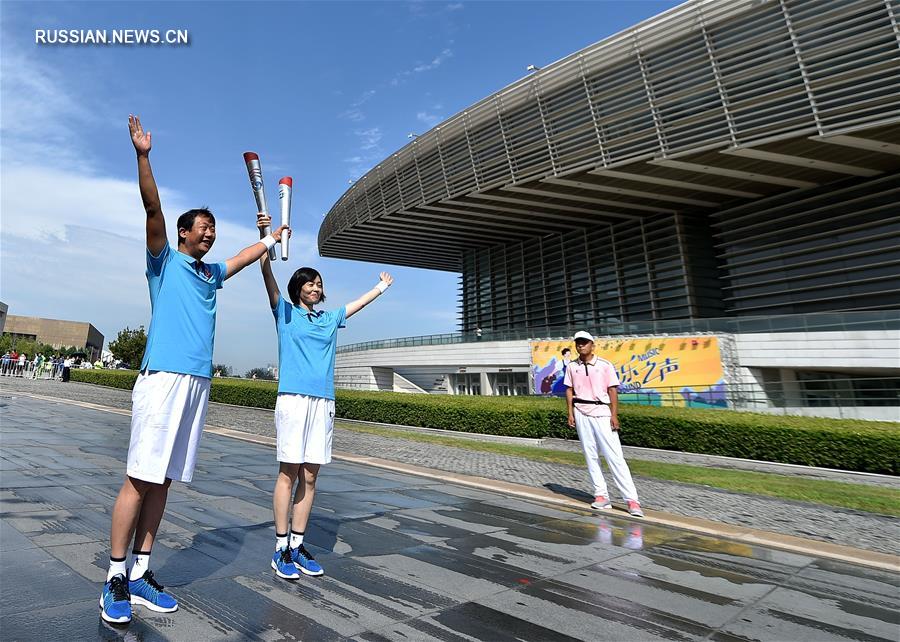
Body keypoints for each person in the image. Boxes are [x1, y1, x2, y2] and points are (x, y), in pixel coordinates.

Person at [98, 115, 290, 626]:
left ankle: (141, 571)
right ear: (184, 233)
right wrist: (143, 156)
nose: (210, 233)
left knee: (162, 483)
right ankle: (115, 576)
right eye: (203, 227)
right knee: (139, 479)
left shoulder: (210, 273)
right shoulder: (164, 260)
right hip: (161, 378)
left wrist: (271, 242)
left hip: (196, 385)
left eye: (213, 229)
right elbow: (153, 206)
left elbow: (244, 258)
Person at [255, 212, 392, 580]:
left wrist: (380, 288)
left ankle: (298, 545)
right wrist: (266, 236)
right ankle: (280, 547)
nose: (316, 288)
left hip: (323, 402)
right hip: (293, 401)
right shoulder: (284, 314)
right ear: (298, 287)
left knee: (311, 476)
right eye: (310, 283)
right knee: (288, 473)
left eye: (319, 284)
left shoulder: (328, 319)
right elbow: (266, 273)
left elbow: (357, 305)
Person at [564, 330, 644, 518]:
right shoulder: (571, 367)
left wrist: (613, 415)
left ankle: (632, 500)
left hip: (601, 411)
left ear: (592, 345)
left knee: (614, 456)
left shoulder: (604, 365)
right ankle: (601, 495)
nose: (580, 345)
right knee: (590, 455)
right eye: (578, 343)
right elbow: (569, 390)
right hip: (581, 410)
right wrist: (570, 413)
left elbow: (613, 390)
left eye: (584, 342)